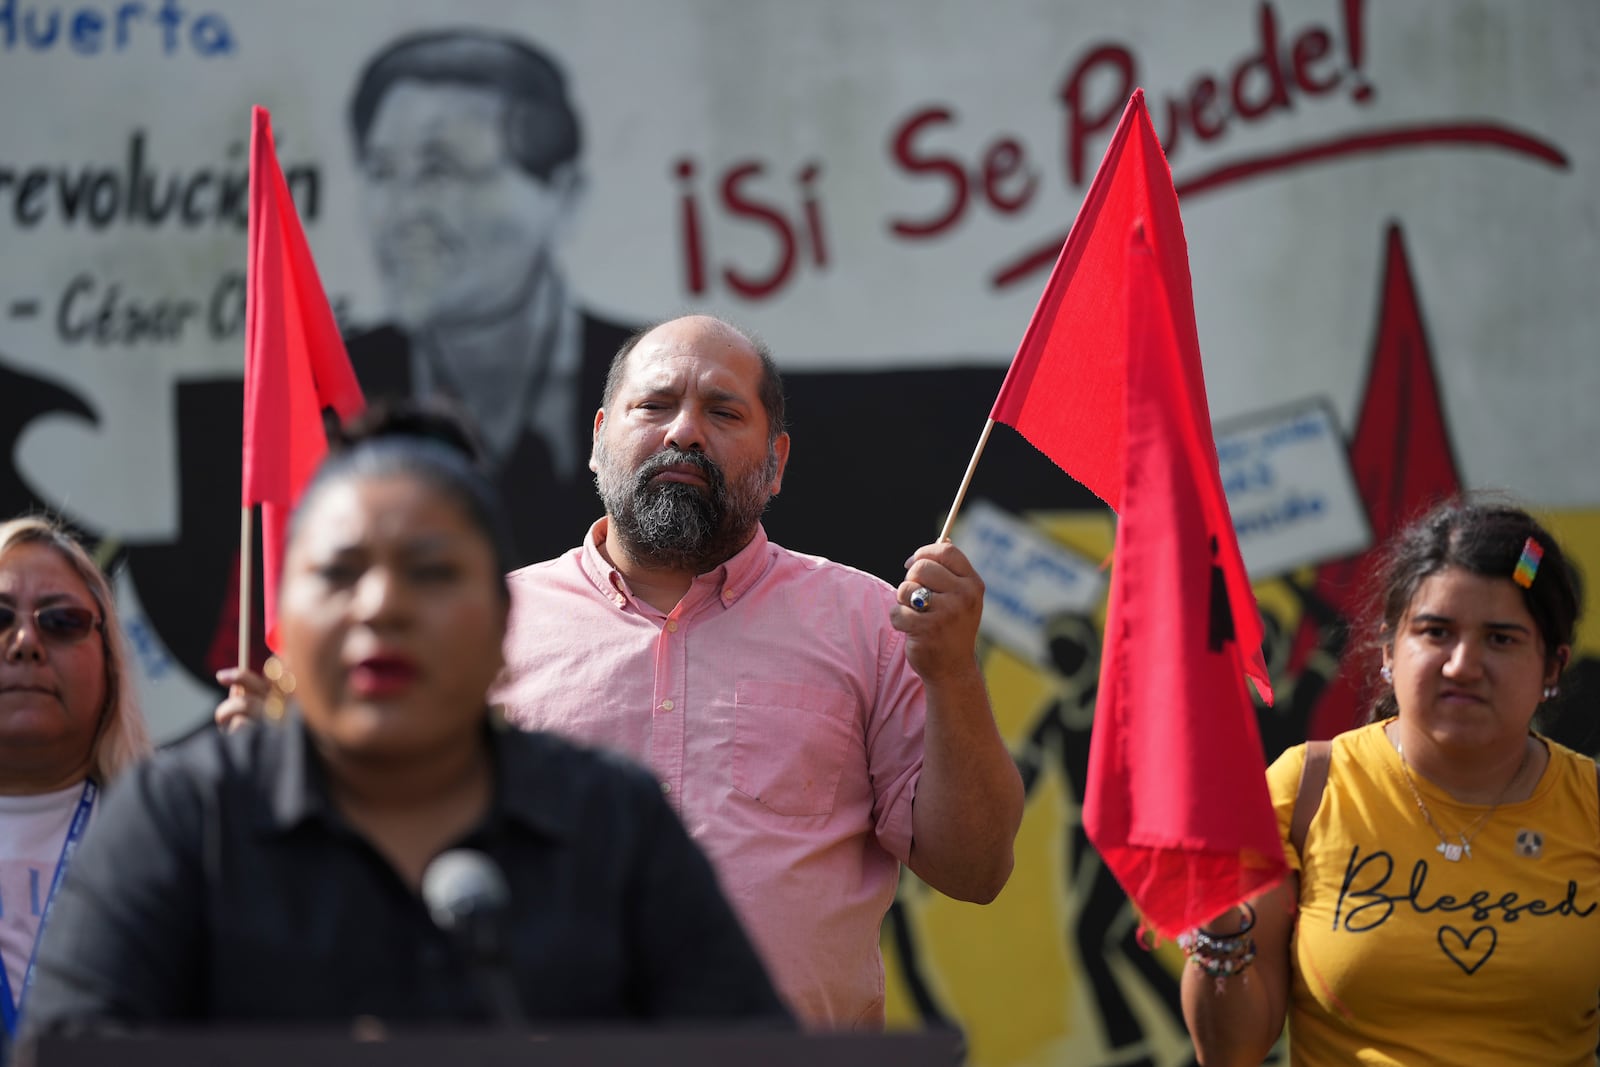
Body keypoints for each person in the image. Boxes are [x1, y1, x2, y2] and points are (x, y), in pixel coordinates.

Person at [23, 411, 790, 1035]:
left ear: (501, 625)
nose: (381, 606)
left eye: (430, 571)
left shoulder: (614, 821)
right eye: (340, 572)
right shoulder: (182, 819)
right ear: (287, 617)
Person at [489, 314, 1026, 1028]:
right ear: (596, 440)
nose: (684, 431)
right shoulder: (491, 625)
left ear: (776, 462)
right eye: (654, 404)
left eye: (722, 410)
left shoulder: (869, 621)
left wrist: (954, 673)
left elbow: (976, 868)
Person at [1180, 499, 1600, 1066]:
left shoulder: (1591, 806)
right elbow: (1231, 1051)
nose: (1462, 664)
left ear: (1553, 667)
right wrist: (1221, 924)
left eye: (1501, 638)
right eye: (1436, 632)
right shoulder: (1306, 790)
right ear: (1387, 651)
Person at [344, 28, 635, 561]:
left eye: (440, 171)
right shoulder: (331, 394)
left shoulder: (655, 389)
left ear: (563, 195)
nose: (404, 214)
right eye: (382, 172)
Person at [0, 517, 152, 1056]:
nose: (24, 643)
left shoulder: (174, 847)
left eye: (61, 621)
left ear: (111, 666)